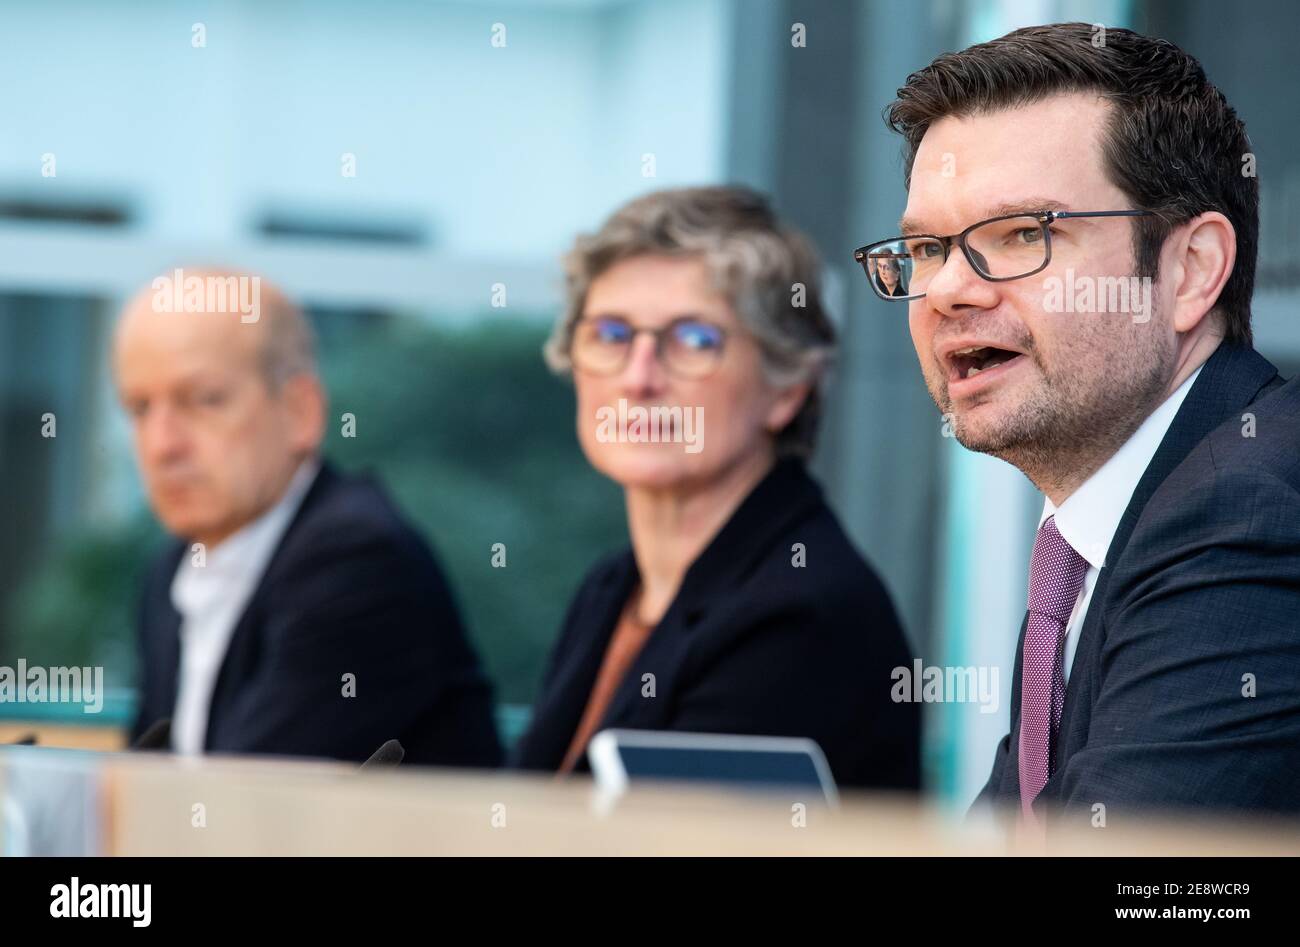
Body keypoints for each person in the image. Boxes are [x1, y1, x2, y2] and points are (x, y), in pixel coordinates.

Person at [860, 22, 1300, 826]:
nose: (950, 290)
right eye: (926, 247)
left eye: (1025, 233)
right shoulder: (1092, 537)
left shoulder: (1249, 513)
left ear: (1189, 270)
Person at [511, 187, 921, 790]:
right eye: (610, 334)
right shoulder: (612, 587)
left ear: (787, 387)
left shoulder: (802, 613)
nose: (638, 377)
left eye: (695, 340)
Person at [115, 268, 501, 767]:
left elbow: (243, 815)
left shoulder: (360, 562)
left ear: (301, 412)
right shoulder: (173, 569)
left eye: (204, 400)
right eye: (140, 407)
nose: (162, 444)